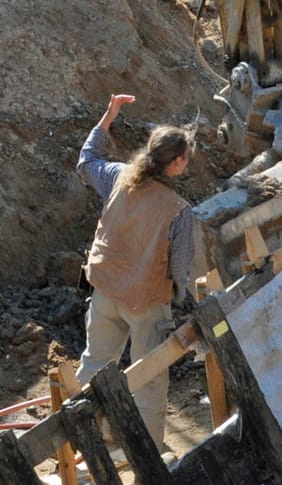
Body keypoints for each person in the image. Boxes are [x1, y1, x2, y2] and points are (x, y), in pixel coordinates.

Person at [76, 93, 196, 450]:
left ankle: (82, 440)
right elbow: (179, 267)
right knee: (149, 380)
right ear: (175, 163)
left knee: (94, 366)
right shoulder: (178, 210)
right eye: (186, 159)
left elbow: (86, 161)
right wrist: (177, 297)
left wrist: (108, 116)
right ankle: (148, 455)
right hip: (145, 302)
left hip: (104, 291)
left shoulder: (118, 177)